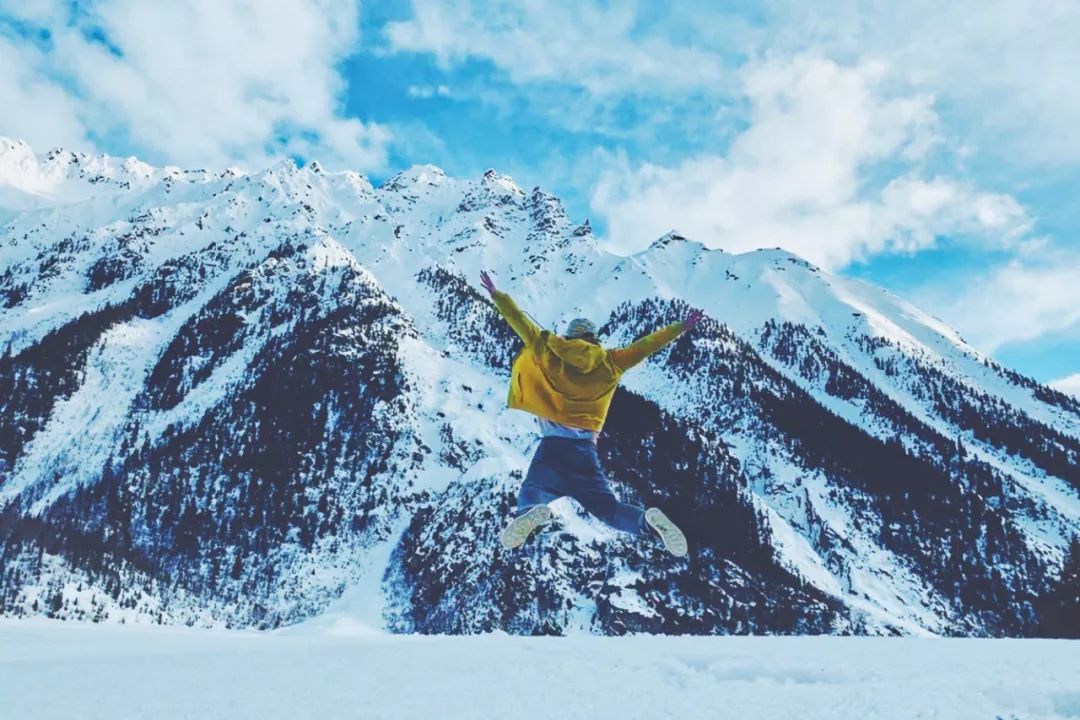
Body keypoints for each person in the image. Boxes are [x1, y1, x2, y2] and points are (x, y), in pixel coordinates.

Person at [480, 270, 704, 557]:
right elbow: (646, 345)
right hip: (585, 450)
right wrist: (680, 327)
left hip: (552, 448)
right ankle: (644, 522)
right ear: (594, 338)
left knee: (530, 494)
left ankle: (532, 511)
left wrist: (497, 295)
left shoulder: (547, 348)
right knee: (609, 510)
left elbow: (519, 321)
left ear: (570, 336)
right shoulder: (612, 362)